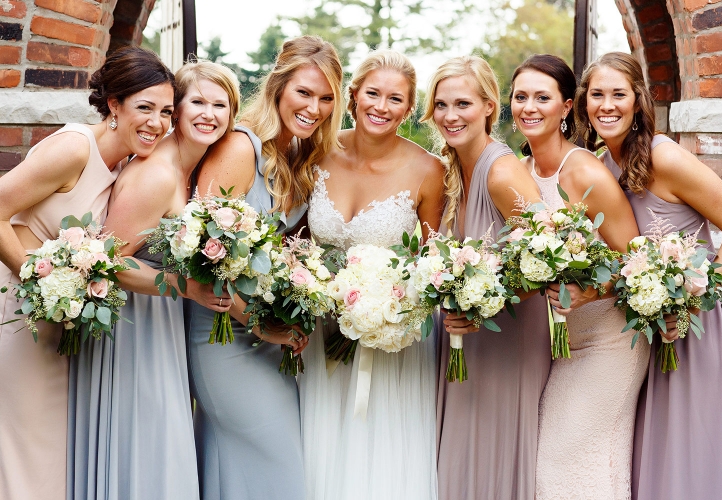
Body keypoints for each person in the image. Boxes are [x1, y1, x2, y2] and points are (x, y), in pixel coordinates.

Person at [0, 46, 174, 500]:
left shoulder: (126, 167)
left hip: (59, 324)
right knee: (27, 455)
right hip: (19, 315)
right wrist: (38, 283)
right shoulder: (75, 149)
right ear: (114, 104)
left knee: (52, 459)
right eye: (145, 108)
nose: (157, 123)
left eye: (166, 112)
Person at [576, 51, 722, 500]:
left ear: (638, 101)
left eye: (619, 94)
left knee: (694, 446)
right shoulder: (602, 165)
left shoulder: (664, 156)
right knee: (658, 448)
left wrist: (690, 302)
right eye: (597, 94)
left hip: (699, 320)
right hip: (649, 324)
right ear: (583, 102)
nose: (607, 105)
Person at [67, 60, 239, 499]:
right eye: (197, 102)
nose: (209, 114)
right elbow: (108, 262)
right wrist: (189, 287)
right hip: (133, 331)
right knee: (147, 451)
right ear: (177, 110)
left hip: (160, 324)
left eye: (220, 105)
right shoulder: (157, 174)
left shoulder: (189, 169)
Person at [185, 35, 344, 500]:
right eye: (304, 92)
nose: (314, 108)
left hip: (269, 338)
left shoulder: (300, 159)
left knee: (244, 469)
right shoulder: (240, 148)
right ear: (278, 87)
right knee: (280, 467)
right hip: (222, 334)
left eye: (326, 98)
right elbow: (199, 258)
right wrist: (260, 324)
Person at [298, 49, 444, 500]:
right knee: (319, 449)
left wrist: (389, 310)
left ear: (409, 107)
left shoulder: (428, 171)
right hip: (319, 331)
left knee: (381, 457)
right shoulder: (316, 152)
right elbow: (295, 239)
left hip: (390, 341)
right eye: (373, 94)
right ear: (354, 95)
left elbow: (431, 264)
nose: (381, 107)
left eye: (395, 99)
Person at [509, 54, 648, 498]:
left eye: (542, 97)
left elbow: (637, 262)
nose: (529, 107)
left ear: (567, 106)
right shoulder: (520, 172)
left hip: (608, 341)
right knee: (554, 467)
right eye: (521, 97)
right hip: (559, 345)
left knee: (566, 461)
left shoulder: (585, 171)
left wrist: (590, 291)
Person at [421, 55, 547, 500]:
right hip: (466, 336)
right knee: (460, 459)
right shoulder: (453, 167)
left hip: (506, 337)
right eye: (441, 105)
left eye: (463, 104)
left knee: (488, 460)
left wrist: (483, 306)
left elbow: (546, 259)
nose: (450, 116)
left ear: (489, 107)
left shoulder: (501, 171)